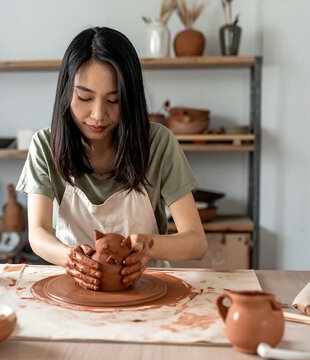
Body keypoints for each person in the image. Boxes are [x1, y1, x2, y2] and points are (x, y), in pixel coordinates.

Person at [17, 26, 207, 291]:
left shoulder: (158, 143)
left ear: (130, 99)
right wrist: (70, 259)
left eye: (114, 100)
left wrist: (149, 245)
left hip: (146, 289)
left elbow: (197, 242)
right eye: (84, 97)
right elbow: (37, 234)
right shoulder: (45, 147)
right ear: (66, 93)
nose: (98, 115)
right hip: (74, 290)